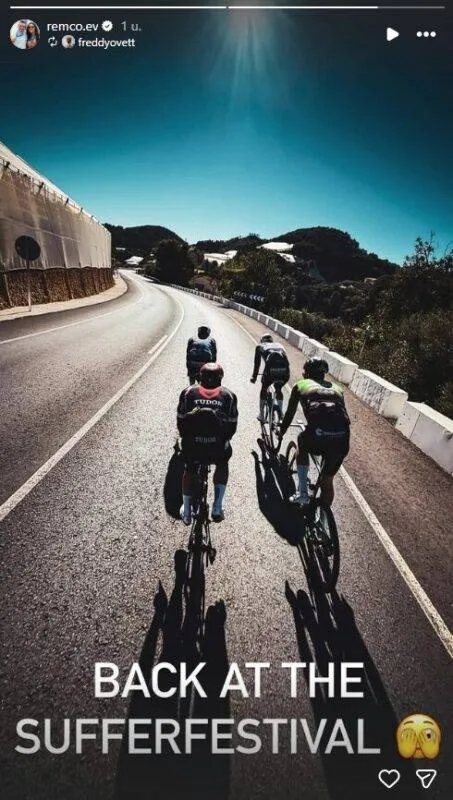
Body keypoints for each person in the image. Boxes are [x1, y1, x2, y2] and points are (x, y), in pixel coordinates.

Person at [279, 357, 350, 508]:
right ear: (324, 374)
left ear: (306, 373)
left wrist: (282, 431)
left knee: (302, 441)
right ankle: (325, 517)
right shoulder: (338, 389)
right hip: (342, 440)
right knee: (327, 479)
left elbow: (290, 414)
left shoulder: (300, 385)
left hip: (318, 437)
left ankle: (303, 494)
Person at [177, 362, 238, 524]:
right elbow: (232, 428)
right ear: (221, 378)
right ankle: (217, 506)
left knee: (189, 468)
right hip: (216, 449)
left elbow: (181, 422)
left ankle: (187, 511)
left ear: (200, 377)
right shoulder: (229, 395)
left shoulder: (188, 392)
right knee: (223, 463)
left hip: (193, 447)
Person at [250, 334, 290, 421]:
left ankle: (261, 415)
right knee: (278, 388)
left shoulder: (260, 346)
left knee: (264, 388)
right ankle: (280, 412)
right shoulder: (280, 345)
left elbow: (257, 364)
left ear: (262, 340)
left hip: (270, 371)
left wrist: (254, 377)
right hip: (285, 372)